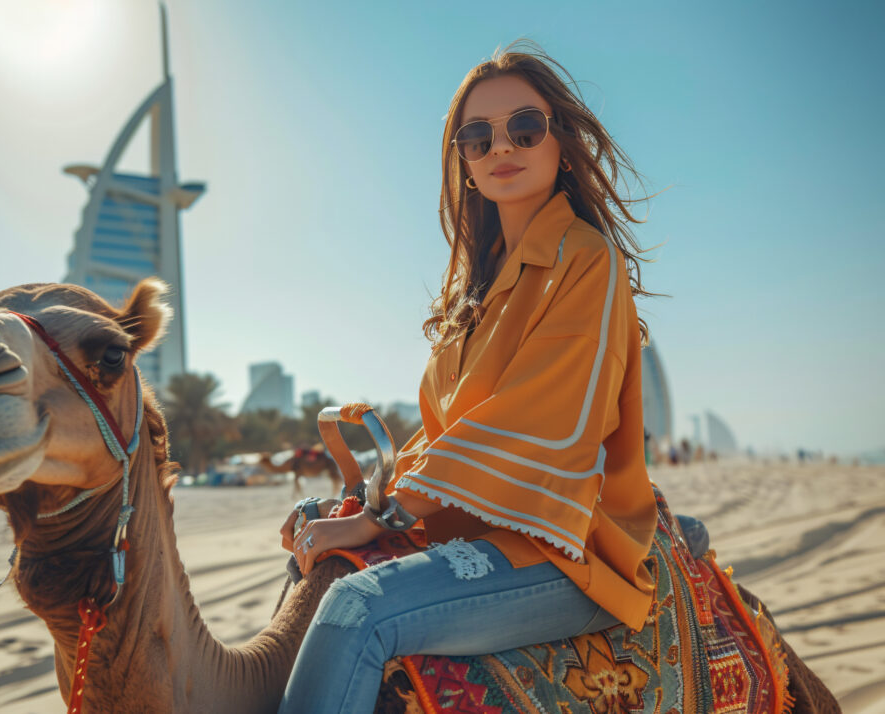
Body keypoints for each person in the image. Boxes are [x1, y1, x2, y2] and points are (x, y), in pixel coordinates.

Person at [278, 42, 703, 714]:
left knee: (359, 608)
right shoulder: (473, 294)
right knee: (313, 558)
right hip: (468, 527)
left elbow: (541, 420)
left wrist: (390, 512)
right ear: (466, 166)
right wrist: (371, 500)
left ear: (561, 143)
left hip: (566, 543)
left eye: (524, 129)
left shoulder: (586, 262)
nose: (501, 147)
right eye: (478, 138)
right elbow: (447, 431)